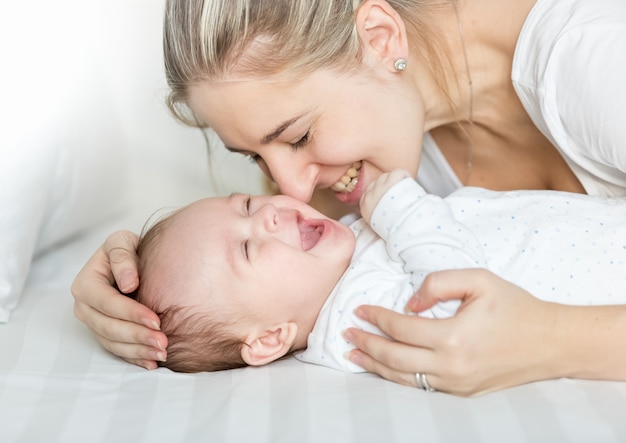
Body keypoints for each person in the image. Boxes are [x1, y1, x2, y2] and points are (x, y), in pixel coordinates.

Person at [71, 0, 626, 396]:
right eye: (255, 158)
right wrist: (140, 284)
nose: (292, 189)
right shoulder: (386, 145)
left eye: (297, 137)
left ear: (380, 38)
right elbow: (246, 280)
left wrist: (548, 340)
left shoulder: (593, 65)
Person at [130, 169, 626, 384]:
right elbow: (462, 313)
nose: (268, 216)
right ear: (268, 340)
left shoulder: (340, 265)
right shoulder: (355, 321)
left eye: (247, 203)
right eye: (245, 247)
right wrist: (401, 210)